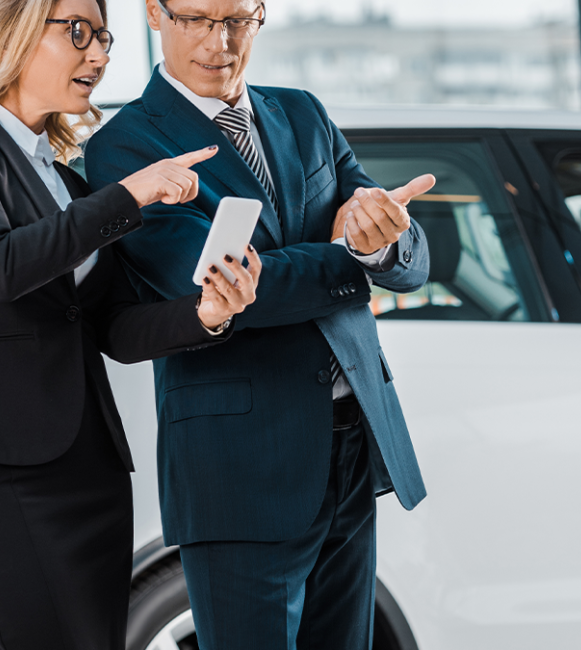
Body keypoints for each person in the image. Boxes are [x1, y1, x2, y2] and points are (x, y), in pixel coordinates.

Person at [0, 0, 261, 648]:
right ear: (9, 29)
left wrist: (208, 313)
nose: (98, 55)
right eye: (79, 33)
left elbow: (112, 328)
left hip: (89, 469)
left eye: (105, 38)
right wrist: (131, 193)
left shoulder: (63, 179)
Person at [85, 1, 434, 647]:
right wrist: (349, 255)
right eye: (195, 18)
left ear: (262, 14)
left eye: (239, 19)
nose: (220, 41)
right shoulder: (124, 147)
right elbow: (214, 283)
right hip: (240, 463)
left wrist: (384, 239)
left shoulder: (302, 112)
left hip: (352, 438)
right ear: (154, 14)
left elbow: (402, 257)